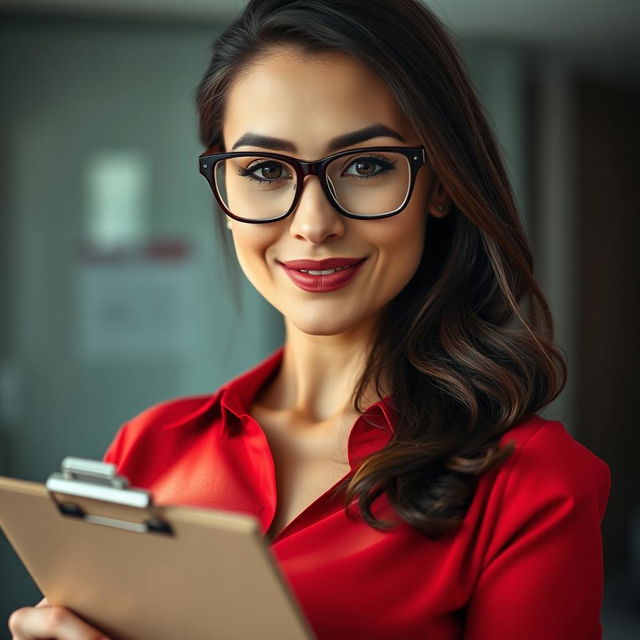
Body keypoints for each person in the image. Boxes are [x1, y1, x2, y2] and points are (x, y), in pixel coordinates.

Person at [8, 1, 611, 638]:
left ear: (440, 183)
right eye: (266, 170)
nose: (314, 224)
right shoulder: (149, 448)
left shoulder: (532, 484)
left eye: (368, 165)